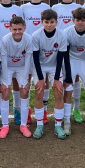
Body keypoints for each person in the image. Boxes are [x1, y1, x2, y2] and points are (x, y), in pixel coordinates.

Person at [32, 9, 72, 140]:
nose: (49, 25)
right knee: (39, 93)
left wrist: (57, 79)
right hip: (40, 66)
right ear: (41, 22)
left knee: (58, 93)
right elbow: (36, 59)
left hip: (55, 66)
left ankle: (58, 126)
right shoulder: (36, 36)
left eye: (52, 22)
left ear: (56, 22)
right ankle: (39, 125)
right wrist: (40, 79)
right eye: (46, 22)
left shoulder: (61, 35)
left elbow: (61, 58)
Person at [0, 0, 24, 124]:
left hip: (15, 49)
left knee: (16, 81)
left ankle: (17, 109)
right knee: (0, 81)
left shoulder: (19, 9)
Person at [64, 7, 85, 136]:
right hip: (71, 62)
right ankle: (67, 121)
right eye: (78, 20)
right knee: (67, 91)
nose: (80, 23)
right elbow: (65, 55)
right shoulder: (67, 32)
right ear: (73, 20)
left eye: (83, 20)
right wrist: (67, 75)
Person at [21, 0, 50, 124]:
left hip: (43, 47)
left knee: (45, 79)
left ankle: (44, 110)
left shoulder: (46, 7)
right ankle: (26, 111)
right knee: (26, 79)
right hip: (27, 47)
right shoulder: (23, 8)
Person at [0, 16, 33, 138]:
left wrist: (26, 80)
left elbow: (28, 60)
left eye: (20, 29)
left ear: (24, 27)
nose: (17, 32)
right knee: (5, 92)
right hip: (7, 67)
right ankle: (5, 125)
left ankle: (23, 125)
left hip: (22, 67)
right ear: (10, 29)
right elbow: (3, 61)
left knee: (24, 91)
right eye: (14, 29)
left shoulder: (29, 39)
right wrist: (4, 81)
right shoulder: (5, 40)